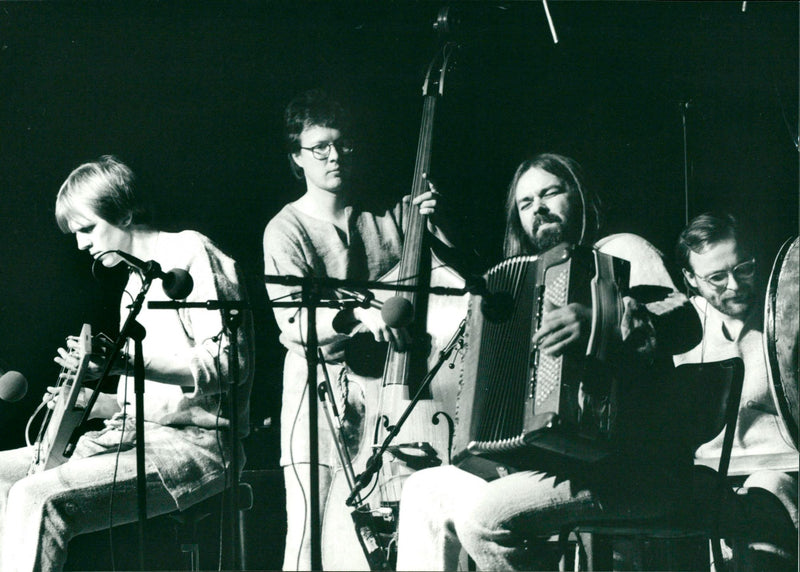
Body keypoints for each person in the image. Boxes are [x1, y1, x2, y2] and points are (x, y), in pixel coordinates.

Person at [395, 152, 701, 571]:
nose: (537, 208)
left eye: (550, 193)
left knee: (484, 519)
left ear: (577, 194)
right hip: (561, 467)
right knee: (425, 488)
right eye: (525, 203)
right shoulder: (529, 285)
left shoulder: (622, 250)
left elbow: (684, 321)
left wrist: (602, 320)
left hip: (632, 469)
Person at [0, 156, 255, 572]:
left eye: (87, 228)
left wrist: (126, 363)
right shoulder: (134, 284)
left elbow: (230, 365)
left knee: (36, 497)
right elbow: (142, 398)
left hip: (199, 448)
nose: (81, 244)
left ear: (125, 211)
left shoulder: (190, 252)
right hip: (134, 438)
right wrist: (89, 398)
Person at [263, 89, 456, 570]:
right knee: (309, 537)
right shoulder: (284, 230)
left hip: (387, 396)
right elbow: (292, 321)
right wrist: (354, 316)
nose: (334, 157)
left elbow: (449, 278)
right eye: (320, 148)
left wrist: (434, 222)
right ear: (297, 158)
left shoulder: (385, 213)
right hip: (318, 396)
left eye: (342, 145)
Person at [674, 212, 798, 570]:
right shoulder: (679, 323)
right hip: (711, 477)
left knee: (763, 497)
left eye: (743, 268)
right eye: (716, 278)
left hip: (782, 472)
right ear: (690, 279)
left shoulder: (786, 313)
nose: (734, 285)